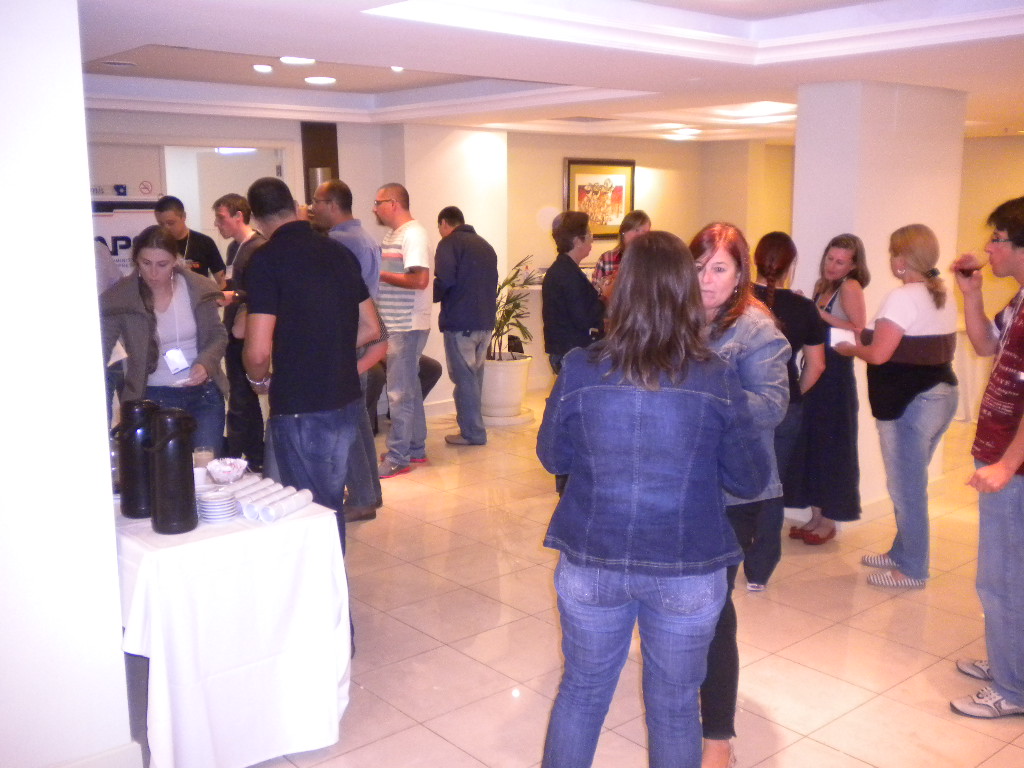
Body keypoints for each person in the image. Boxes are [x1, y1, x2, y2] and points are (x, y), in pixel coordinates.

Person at [537, 231, 769, 768]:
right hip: (687, 568)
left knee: (582, 692)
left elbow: (553, 456)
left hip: (592, 559)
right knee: (675, 708)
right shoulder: (716, 375)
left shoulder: (579, 367)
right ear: (685, 292)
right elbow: (749, 478)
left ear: (621, 290)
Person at [691, 222, 790, 768]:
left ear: (739, 275)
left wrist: (703, 394)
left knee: (714, 609)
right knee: (686, 604)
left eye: (719, 268)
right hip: (684, 482)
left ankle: (718, 736)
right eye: (698, 267)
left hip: (734, 490)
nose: (706, 279)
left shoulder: (756, 329)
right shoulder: (678, 316)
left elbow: (771, 407)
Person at [243, 177, 380, 546]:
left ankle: (330, 584)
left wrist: (258, 381)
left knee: (310, 511)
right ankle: (333, 581)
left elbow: (257, 352)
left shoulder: (265, 260)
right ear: (294, 206)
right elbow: (371, 328)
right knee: (329, 502)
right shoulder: (339, 253)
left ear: (255, 219)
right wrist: (328, 347)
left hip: (300, 404)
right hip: (345, 397)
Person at [836, 224, 958, 588]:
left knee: (907, 489)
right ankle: (901, 553)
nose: (891, 259)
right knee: (909, 482)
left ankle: (913, 569)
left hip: (911, 403)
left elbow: (878, 354)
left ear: (902, 259)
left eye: (893, 253)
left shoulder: (903, 297)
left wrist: (851, 348)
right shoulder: (941, 293)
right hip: (939, 395)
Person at [948, 196, 1024, 719]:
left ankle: (1012, 687)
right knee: (1004, 575)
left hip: (1013, 464)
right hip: (1002, 453)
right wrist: (971, 295)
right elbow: (983, 346)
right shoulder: (1019, 300)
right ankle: (1008, 662)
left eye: (997, 239)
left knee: (1003, 579)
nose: (988, 248)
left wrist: (1007, 464)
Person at [100, 225, 228, 451]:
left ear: (175, 261)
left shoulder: (199, 288)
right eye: (146, 263)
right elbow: (102, 347)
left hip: (203, 396)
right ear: (135, 260)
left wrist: (206, 363)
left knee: (205, 468)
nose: (153, 273)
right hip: (151, 398)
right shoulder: (120, 298)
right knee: (163, 470)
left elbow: (217, 335)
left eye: (162, 264)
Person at [752, 231, 826, 581]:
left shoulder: (734, 300)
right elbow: (817, 365)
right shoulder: (803, 308)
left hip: (739, 403)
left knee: (727, 482)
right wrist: (793, 392)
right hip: (785, 406)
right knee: (772, 486)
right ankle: (760, 572)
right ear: (790, 266)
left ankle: (724, 561)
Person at [310, 178, 386, 521]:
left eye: (316, 202)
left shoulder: (338, 243)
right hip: (362, 333)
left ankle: (361, 498)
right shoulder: (364, 237)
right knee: (357, 421)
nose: (312, 208)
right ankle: (368, 493)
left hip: (349, 338)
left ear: (332, 204)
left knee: (348, 424)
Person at [788, 233, 869, 544]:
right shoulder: (823, 286)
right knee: (812, 446)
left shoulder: (850, 287)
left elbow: (860, 331)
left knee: (831, 448)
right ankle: (816, 516)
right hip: (817, 372)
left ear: (853, 266)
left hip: (835, 378)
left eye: (840, 261)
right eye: (830, 258)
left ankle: (829, 520)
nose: (832, 265)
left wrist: (817, 313)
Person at [373, 183, 433, 478]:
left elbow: (420, 280)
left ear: (394, 203)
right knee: (410, 389)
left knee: (399, 393)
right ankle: (415, 448)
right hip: (395, 323)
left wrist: (379, 273)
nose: (374, 208)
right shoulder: (393, 235)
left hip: (407, 325)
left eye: (378, 202)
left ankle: (399, 457)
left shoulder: (414, 234)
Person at [434, 205, 499, 446]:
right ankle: (474, 428)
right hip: (485, 322)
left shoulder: (449, 244)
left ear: (444, 223)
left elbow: (445, 280)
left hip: (460, 323)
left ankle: (472, 433)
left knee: (464, 380)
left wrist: (427, 293)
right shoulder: (485, 246)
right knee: (474, 379)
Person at [212, 193, 266, 471]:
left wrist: (233, 296)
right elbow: (236, 286)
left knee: (240, 397)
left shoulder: (259, 247)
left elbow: (262, 292)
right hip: (233, 330)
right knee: (244, 396)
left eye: (221, 218)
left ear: (238, 216)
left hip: (250, 333)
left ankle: (232, 459)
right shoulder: (235, 247)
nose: (217, 224)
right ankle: (256, 456)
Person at [541, 211, 604, 375]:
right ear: (577, 241)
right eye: (589, 235)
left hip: (566, 350)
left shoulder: (564, 269)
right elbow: (583, 318)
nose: (592, 240)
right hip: (571, 352)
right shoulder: (566, 273)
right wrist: (605, 297)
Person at [154, 195, 227, 288]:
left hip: (199, 295)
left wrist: (216, 295)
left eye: (171, 223)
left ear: (183, 216)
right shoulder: (156, 244)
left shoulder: (204, 242)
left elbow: (222, 280)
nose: (166, 228)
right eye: (161, 224)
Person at [590, 209, 651, 301]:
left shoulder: (652, 261)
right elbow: (594, 295)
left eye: (645, 232)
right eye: (636, 230)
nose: (640, 236)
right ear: (623, 232)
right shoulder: (606, 259)